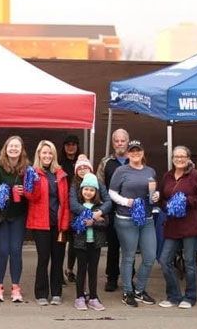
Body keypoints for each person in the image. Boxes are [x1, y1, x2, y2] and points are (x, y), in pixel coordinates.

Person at [158, 146, 197, 309]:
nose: (179, 159)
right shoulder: (167, 176)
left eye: (182, 156)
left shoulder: (196, 176)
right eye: (176, 156)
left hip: (191, 226)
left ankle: (190, 296)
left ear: (188, 158)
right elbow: (160, 199)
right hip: (172, 226)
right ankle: (173, 295)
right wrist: (168, 204)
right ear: (172, 158)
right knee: (164, 260)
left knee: (189, 262)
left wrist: (185, 201)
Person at [109, 139, 158, 307]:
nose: (135, 153)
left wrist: (155, 196)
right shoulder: (121, 170)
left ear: (143, 152)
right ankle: (127, 291)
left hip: (147, 218)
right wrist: (126, 202)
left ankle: (140, 289)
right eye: (132, 151)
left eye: (138, 150)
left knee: (150, 256)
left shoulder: (150, 171)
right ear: (128, 153)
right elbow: (112, 192)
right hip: (126, 219)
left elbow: (151, 193)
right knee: (128, 256)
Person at [25, 140, 70, 306]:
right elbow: (31, 196)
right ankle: (41, 293)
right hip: (40, 224)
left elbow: (65, 202)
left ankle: (57, 292)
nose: (47, 156)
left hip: (58, 224)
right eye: (44, 153)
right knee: (43, 258)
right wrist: (34, 181)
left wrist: (65, 223)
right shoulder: (33, 172)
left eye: (50, 153)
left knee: (58, 259)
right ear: (39, 154)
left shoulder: (60, 174)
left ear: (54, 155)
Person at [0, 136, 29, 303]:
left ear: (21, 149)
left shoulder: (27, 168)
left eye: (17, 146)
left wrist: (25, 192)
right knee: (3, 251)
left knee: (16, 251)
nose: (13, 149)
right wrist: (5, 194)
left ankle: (16, 287)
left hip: (19, 215)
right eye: (11, 146)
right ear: (5, 148)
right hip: (1, 216)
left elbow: (34, 193)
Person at [96, 128, 129, 292]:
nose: (120, 143)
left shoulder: (135, 159)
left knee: (129, 246)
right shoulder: (105, 162)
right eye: (117, 141)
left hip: (131, 211)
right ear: (112, 143)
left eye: (123, 140)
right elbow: (99, 185)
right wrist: (103, 206)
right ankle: (112, 278)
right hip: (112, 210)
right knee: (113, 246)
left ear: (127, 142)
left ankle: (129, 278)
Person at [72, 173, 108, 311]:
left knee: (93, 270)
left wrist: (93, 223)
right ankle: (80, 297)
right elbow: (73, 224)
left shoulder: (100, 207)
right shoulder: (77, 206)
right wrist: (83, 222)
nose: (88, 192)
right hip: (81, 244)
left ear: (96, 192)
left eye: (92, 190)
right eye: (86, 189)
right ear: (81, 190)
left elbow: (105, 224)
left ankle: (93, 297)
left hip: (95, 243)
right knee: (81, 270)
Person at [59, 134, 81, 283]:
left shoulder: (82, 162)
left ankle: (70, 269)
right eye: (68, 144)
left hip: (77, 206)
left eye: (73, 144)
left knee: (74, 241)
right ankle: (58, 272)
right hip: (62, 205)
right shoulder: (59, 163)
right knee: (60, 240)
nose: (71, 147)